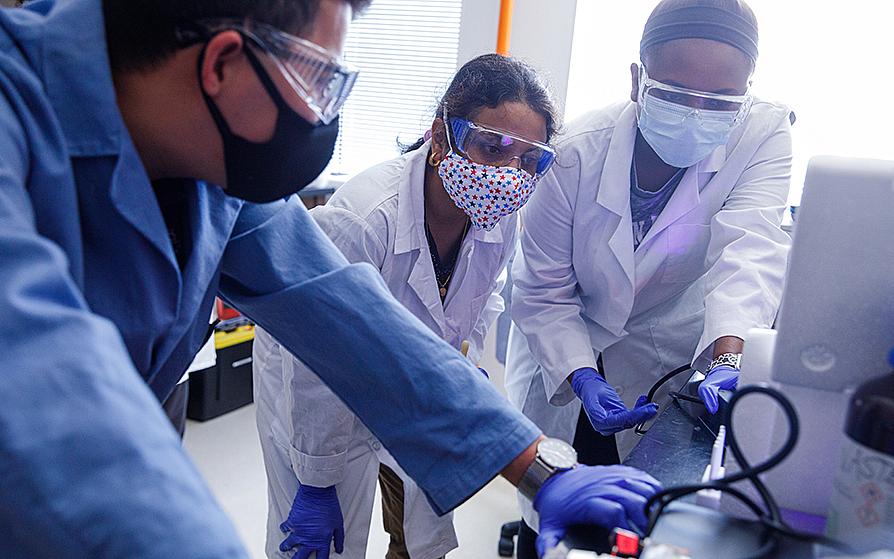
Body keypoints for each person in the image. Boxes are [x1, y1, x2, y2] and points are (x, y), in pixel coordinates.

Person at [0, 1, 659, 557]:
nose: (323, 118)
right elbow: (40, 392)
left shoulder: (216, 165)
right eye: (317, 81)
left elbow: (353, 317)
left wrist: (534, 464)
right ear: (223, 62)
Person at [505, 0, 793, 556]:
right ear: (637, 79)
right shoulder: (570, 155)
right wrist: (581, 376)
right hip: (566, 342)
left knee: (644, 516)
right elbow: (542, 290)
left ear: (747, 90)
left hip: (665, 342)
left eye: (719, 101)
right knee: (560, 513)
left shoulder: (762, 133)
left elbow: (751, 251)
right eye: (675, 94)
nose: (695, 112)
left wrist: (731, 356)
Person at [254, 53, 559, 559]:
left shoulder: (498, 216)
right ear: (442, 137)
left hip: (414, 382)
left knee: (422, 537)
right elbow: (320, 358)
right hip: (320, 380)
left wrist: (465, 364)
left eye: (529, 160)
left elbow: (486, 298)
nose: (510, 174)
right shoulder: (364, 218)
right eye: (491, 147)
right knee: (325, 546)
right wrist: (314, 477)